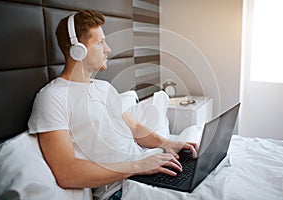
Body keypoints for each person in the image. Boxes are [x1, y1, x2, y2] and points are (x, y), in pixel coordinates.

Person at [28, 10, 198, 200]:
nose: (107, 49)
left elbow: (134, 127)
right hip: (119, 189)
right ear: (78, 49)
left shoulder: (104, 87)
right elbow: (66, 172)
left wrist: (168, 144)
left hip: (144, 174)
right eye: (100, 42)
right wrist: (139, 166)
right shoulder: (52, 97)